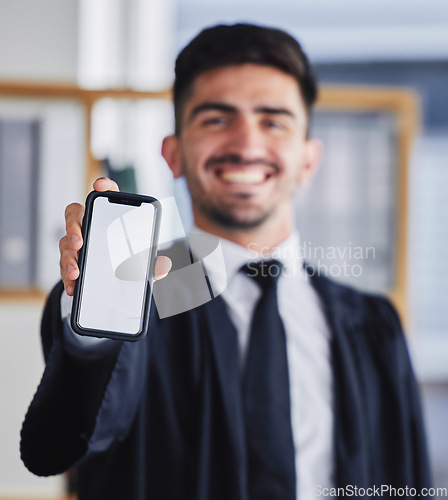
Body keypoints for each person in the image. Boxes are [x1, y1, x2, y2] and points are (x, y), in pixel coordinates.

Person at [21, 23, 431, 500]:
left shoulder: (372, 325)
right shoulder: (145, 291)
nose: (245, 143)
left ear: (308, 159)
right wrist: (91, 312)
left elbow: (405, 480)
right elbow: (74, 433)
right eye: (216, 119)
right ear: (173, 155)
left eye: (273, 121)